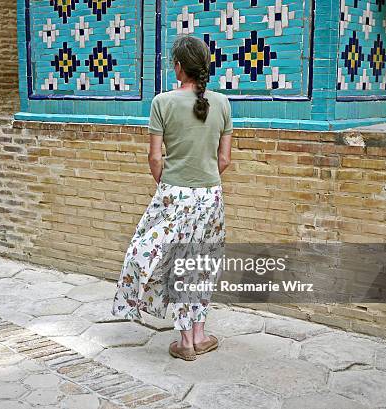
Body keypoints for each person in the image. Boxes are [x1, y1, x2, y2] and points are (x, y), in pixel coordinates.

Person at [111, 34, 233, 361]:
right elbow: (224, 160)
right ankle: (200, 334)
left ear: (179, 67)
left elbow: (154, 158)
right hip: (210, 197)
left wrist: (170, 184)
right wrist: (203, 182)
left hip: (173, 195)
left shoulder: (161, 102)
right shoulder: (222, 103)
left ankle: (185, 342)